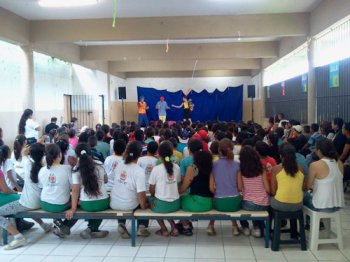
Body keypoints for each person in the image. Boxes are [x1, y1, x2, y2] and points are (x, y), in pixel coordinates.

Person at [0, 143, 52, 250]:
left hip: (30, 202)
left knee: (22, 203)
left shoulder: (28, 165)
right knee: (22, 201)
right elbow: (26, 154)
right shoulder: (44, 165)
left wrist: (26, 152)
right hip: (42, 200)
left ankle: (18, 236)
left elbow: (24, 154)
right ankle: (44, 225)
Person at [66, 143, 109, 239]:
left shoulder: (76, 169)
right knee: (100, 206)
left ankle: (91, 228)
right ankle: (91, 228)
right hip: (102, 202)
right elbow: (106, 180)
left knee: (89, 206)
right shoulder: (100, 164)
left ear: (77, 155)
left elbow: (75, 190)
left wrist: (73, 209)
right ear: (90, 152)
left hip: (86, 204)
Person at [110, 141, 150, 239]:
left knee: (124, 195)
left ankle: (121, 223)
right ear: (140, 154)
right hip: (129, 204)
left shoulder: (119, 165)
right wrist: (144, 205)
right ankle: (141, 227)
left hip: (114, 202)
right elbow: (141, 194)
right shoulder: (138, 171)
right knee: (144, 201)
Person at [39, 144, 77, 238]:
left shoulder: (42, 170)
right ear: (60, 155)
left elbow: (41, 186)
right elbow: (74, 187)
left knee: (55, 196)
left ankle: (57, 222)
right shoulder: (66, 169)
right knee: (77, 206)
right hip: (60, 205)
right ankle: (65, 226)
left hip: (44, 203)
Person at [208, 138, 241, 236]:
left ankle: (211, 225)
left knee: (213, 200)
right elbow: (240, 188)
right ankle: (234, 227)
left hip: (220, 202)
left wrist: (219, 193)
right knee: (233, 200)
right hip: (234, 202)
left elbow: (211, 188)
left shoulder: (214, 165)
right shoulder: (237, 165)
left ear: (219, 150)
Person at [149, 141, 181, 236]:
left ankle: (164, 229)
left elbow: (151, 190)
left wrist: (154, 195)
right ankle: (174, 228)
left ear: (159, 154)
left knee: (152, 201)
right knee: (162, 202)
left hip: (162, 205)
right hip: (176, 204)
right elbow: (178, 184)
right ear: (172, 153)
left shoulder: (156, 169)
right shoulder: (177, 167)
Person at [178, 149, 213, 236]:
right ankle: (185, 223)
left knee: (177, 201)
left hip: (196, 203)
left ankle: (185, 225)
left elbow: (184, 187)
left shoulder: (192, 168)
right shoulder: (211, 168)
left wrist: (176, 192)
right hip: (208, 203)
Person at [238, 146, 270, 237]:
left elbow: (240, 188)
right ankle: (257, 227)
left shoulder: (241, 170)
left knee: (238, 203)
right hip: (264, 204)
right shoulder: (261, 169)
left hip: (248, 204)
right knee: (257, 207)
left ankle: (245, 227)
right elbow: (267, 189)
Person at [304, 139, 345, 212]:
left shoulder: (315, 165)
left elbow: (307, 186)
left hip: (321, 206)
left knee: (302, 195)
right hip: (337, 205)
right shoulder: (340, 163)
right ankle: (318, 222)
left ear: (319, 151)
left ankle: (310, 222)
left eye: (315, 149)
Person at [270, 143, 304, 212]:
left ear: (281, 156)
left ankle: (279, 221)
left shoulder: (276, 169)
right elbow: (302, 188)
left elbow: (273, 192)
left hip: (280, 204)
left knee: (268, 200)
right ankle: (293, 222)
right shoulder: (301, 169)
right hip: (298, 205)